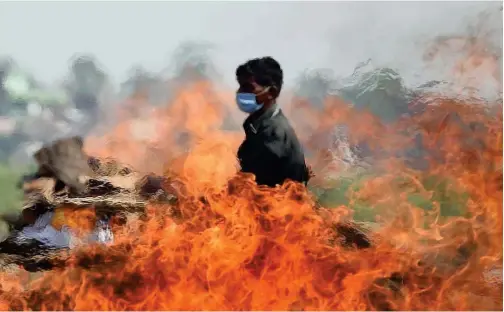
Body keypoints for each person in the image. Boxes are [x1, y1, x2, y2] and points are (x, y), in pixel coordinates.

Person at [235, 56, 311, 187]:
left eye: (248, 87)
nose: (240, 92)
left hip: (278, 204)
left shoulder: (274, 134)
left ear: (271, 92)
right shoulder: (257, 126)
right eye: (241, 86)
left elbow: (252, 184)